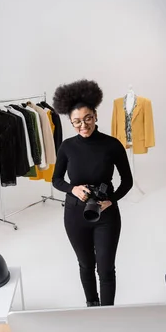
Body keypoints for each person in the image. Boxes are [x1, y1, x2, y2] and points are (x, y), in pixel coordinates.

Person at [52, 79, 133, 307]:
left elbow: (127, 181)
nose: (83, 125)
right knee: (86, 265)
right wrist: (72, 189)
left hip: (106, 216)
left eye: (87, 119)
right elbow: (56, 180)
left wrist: (111, 200)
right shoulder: (66, 147)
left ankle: (107, 314)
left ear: (95, 116)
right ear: (70, 121)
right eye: (76, 121)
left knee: (106, 269)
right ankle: (91, 306)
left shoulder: (112, 145)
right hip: (75, 215)